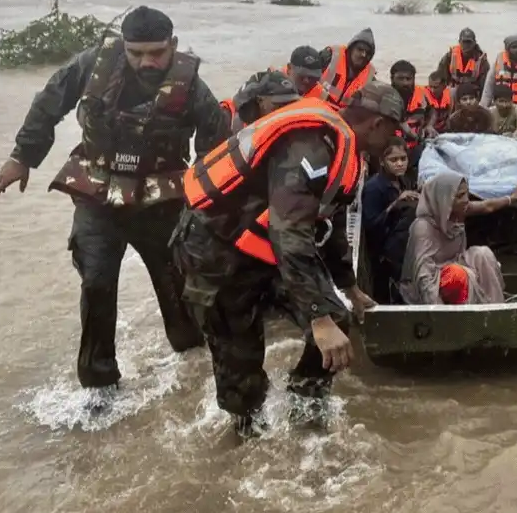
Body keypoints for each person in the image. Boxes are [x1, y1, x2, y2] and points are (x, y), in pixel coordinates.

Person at [0, 6, 224, 408]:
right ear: (124, 46)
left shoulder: (191, 84)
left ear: (173, 46)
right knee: (96, 283)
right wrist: (22, 157)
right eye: (136, 53)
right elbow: (49, 101)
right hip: (98, 196)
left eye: (155, 53)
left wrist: (214, 210)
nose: (146, 62)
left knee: (180, 293)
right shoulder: (92, 65)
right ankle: (99, 388)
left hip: (161, 203)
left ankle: (193, 370)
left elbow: (216, 146)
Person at [173, 86, 404, 437]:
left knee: (337, 318)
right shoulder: (309, 147)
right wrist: (317, 315)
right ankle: (245, 435)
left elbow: (329, 220)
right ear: (376, 125)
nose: (395, 141)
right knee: (243, 365)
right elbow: (290, 232)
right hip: (217, 255)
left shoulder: (348, 152)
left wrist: (349, 288)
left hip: (267, 247)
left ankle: (304, 404)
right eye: (393, 131)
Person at [400, 172, 517, 305]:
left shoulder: (457, 211)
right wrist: (437, 315)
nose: (466, 200)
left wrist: (513, 198)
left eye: (466, 193)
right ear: (445, 200)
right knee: (457, 274)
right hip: (433, 283)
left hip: (455, 266)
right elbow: (424, 276)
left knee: (482, 254)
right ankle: (466, 317)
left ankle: (494, 307)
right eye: (459, 196)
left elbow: (487, 206)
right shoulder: (423, 227)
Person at [361, 138, 418, 304]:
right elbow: (370, 225)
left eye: (403, 159)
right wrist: (394, 205)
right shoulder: (374, 188)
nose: (399, 164)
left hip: (403, 249)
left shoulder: (404, 180)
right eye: (393, 160)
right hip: (384, 256)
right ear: (382, 162)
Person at [307, 28, 376, 108]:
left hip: (340, 118)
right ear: (351, 48)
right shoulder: (329, 56)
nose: (363, 55)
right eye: (360, 49)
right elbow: (300, 73)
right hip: (313, 107)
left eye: (368, 53)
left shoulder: (370, 79)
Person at [221, 70, 302, 132]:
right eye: (281, 105)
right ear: (260, 101)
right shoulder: (228, 120)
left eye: (291, 104)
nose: (286, 111)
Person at [389, 60, 435, 163]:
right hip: (391, 151)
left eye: (408, 79)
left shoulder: (422, 94)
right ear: (392, 79)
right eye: (400, 79)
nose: (405, 83)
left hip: (416, 147)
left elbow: (432, 111)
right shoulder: (384, 96)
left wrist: (429, 125)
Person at [436, 27, 490, 98]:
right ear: (459, 42)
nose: (466, 45)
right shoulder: (450, 56)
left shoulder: (482, 60)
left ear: (474, 42)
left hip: (472, 93)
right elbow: (440, 76)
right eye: (464, 42)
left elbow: (485, 85)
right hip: (454, 90)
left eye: (469, 42)